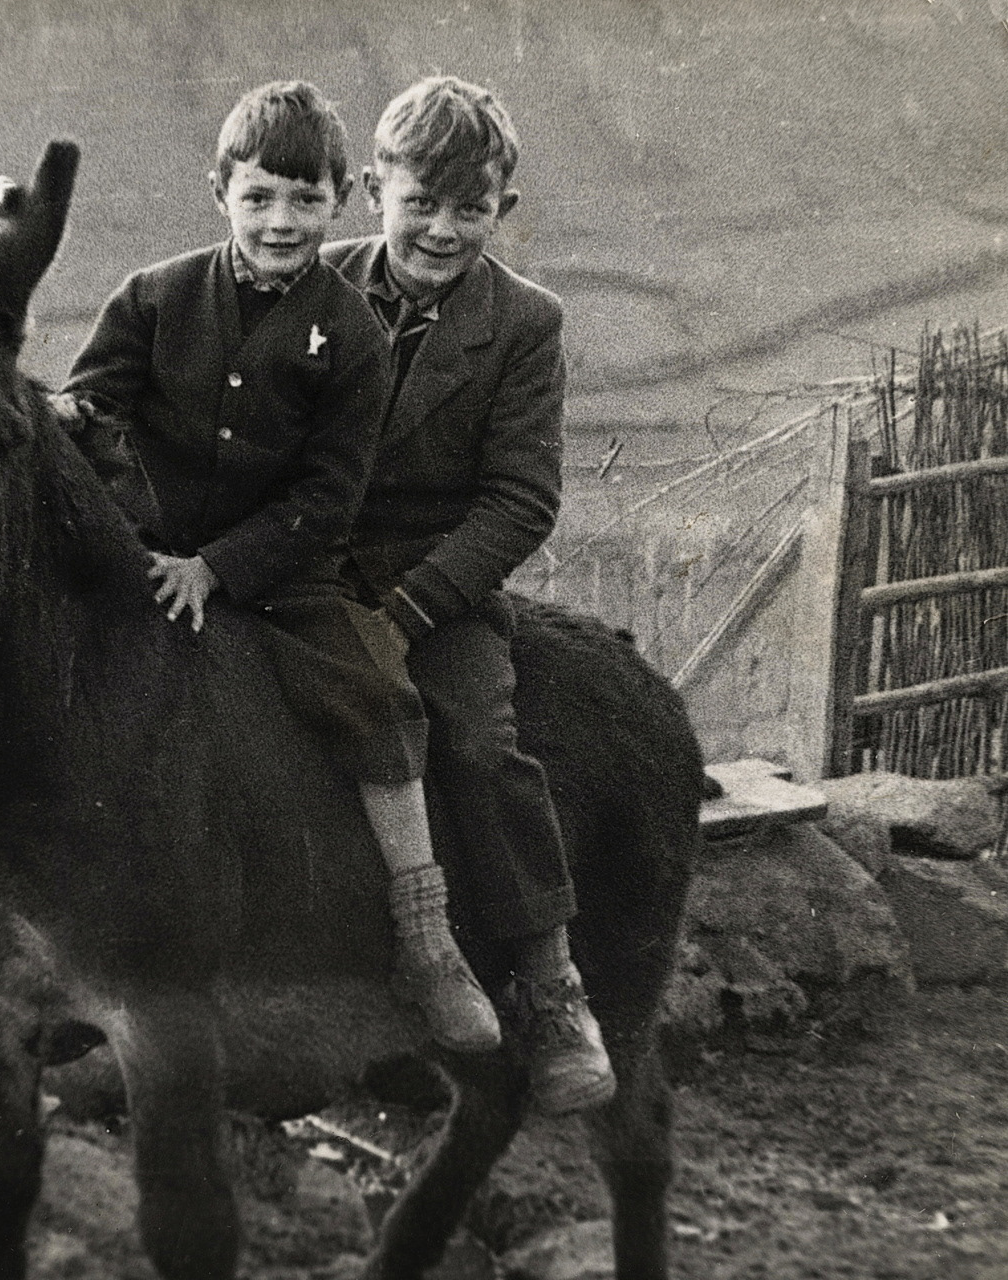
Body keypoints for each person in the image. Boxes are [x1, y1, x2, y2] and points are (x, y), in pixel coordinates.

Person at [60, 80, 500, 1054]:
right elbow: (88, 416)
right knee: (23, 677)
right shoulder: (153, 297)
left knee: (377, 696)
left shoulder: (350, 335)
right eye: (259, 196)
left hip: (285, 572)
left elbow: (328, 495)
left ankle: (427, 945)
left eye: (306, 200)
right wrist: (82, 443)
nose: (281, 221)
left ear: (341, 200)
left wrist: (219, 568)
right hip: (142, 559)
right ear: (219, 189)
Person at [320, 75, 614, 1115]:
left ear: (505, 210)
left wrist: (404, 614)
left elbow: (521, 499)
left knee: (479, 740)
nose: (442, 231)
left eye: (470, 209)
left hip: (434, 584)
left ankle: (548, 984)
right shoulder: (308, 289)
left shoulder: (525, 324)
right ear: (370, 193)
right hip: (302, 570)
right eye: (419, 205)